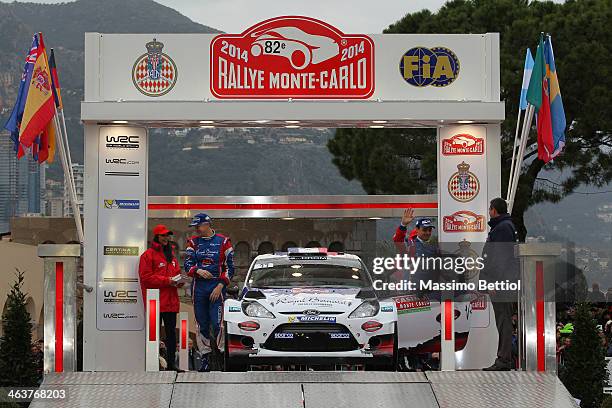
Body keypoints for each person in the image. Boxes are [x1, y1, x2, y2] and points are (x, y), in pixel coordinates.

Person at [184, 213, 234, 372]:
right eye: (195, 227)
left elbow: (230, 268)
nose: (196, 229)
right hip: (198, 288)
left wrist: (221, 285)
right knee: (201, 324)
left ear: (207, 225)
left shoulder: (224, 241)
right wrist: (197, 270)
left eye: (198, 226)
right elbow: (187, 265)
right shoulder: (193, 242)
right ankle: (205, 358)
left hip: (216, 288)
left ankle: (223, 356)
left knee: (218, 323)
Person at [138, 224, 184, 372]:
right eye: (163, 235)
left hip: (170, 302)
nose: (166, 238)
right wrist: (168, 281)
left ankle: (171, 365)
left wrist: (179, 282)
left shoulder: (172, 256)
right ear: (157, 236)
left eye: (167, 235)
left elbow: (175, 274)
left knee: (171, 335)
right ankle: (153, 364)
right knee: (153, 336)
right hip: (155, 303)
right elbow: (146, 278)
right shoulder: (148, 255)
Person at [481, 198, 519, 371]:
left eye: (490, 209)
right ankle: (503, 359)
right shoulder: (504, 226)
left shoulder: (503, 228)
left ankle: (504, 360)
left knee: (503, 320)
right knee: (502, 320)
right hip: (504, 282)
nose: (489, 212)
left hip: (501, 283)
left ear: (494, 210)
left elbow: (500, 259)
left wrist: (492, 282)